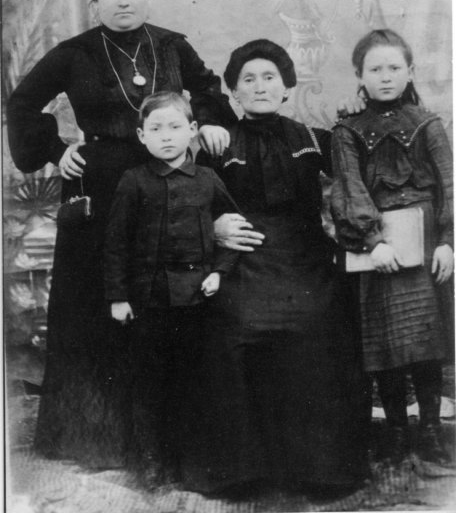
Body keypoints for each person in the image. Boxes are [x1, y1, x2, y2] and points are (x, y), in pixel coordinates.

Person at [6, 0, 240, 469]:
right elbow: (22, 103)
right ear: (95, 1)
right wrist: (56, 150)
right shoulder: (75, 53)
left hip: (168, 185)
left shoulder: (172, 46)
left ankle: (165, 437)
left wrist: (213, 124)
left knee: (161, 305)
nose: (123, 1)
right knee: (98, 304)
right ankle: (99, 441)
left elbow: (209, 93)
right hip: (100, 186)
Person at [188, 39, 370, 496]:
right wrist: (215, 228)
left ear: (287, 86)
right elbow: (187, 201)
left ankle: (322, 470)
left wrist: (358, 118)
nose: (259, 86)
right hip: (242, 259)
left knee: (319, 321)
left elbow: (361, 172)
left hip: (305, 257)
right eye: (248, 79)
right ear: (234, 92)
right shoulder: (219, 142)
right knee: (233, 321)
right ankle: (241, 472)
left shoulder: (313, 138)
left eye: (269, 77)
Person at [331, 29, 454, 466]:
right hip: (378, 249)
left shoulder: (428, 125)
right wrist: (373, 242)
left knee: (426, 341)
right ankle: (397, 430)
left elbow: (449, 185)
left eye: (394, 68)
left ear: (410, 71)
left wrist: (448, 242)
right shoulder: (347, 130)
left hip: (427, 247)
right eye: (375, 69)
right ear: (360, 76)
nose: (385, 76)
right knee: (384, 345)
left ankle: (431, 428)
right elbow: (349, 187)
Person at [104, 91, 239, 486]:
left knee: (192, 380)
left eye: (175, 126)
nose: (166, 136)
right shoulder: (133, 181)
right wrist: (118, 297)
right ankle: (151, 461)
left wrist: (220, 272)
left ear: (193, 130)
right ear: (141, 136)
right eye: (156, 128)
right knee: (150, 381)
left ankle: (191, 463)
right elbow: (116, 243)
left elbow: (234, 230)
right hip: (149, 300)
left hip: (197, 299)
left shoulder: (208, 180)